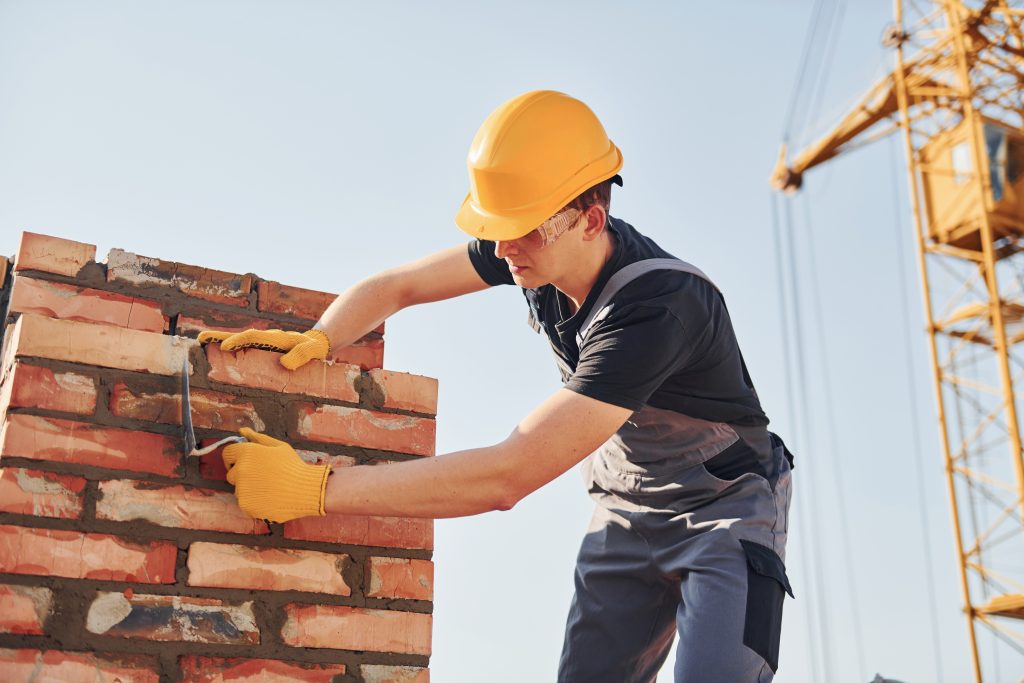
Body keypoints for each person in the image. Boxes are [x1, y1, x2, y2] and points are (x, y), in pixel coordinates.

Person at [199, 89, 795, 683]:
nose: (503, 250)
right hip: (627, 509)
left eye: (523, 232)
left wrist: (316, 489)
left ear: (590, 220)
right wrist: (322, 338)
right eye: (497, 228)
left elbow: (508, 476)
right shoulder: (533, 245)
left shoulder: (659, 310)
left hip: (722, 515)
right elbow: (397, 288)